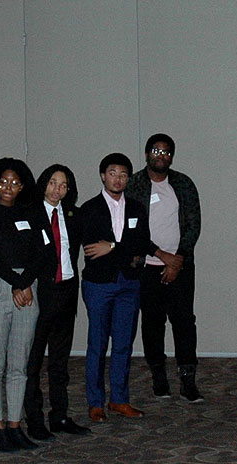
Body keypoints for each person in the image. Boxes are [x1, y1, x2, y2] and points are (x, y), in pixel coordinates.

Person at [126, 133, 203, 402]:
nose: (162, 156)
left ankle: (187, 380)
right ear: (147, 154)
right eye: (156, 151)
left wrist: (178, 259)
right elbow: (131, 228)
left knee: (184, 322)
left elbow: (194, 223)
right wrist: (160, 256)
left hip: (181, 267)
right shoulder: (134, 185)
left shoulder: (183, 184)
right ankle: (159, 377)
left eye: (167, 152)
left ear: (172, 157)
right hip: (146, 267)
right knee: (153, 323)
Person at [79, 153, 156, 423]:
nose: (118, 179)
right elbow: (91, 249)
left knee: (123, 344)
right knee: (97, 345)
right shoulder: (88, 209)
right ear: (103, 175)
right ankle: (96, 402)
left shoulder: (136, 208)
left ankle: (120, 400)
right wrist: (126, 251)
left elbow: (142, 245)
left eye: (123, 174)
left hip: (129, 284)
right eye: (113, 173)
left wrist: (111, 247)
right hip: (99, 284)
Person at [0, 158, 41, 452]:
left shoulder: (32, 212)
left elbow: (41, 252)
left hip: (27, 287)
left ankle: (15, 425)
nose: (8, 187)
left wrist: (24, 282)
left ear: (23, 185)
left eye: (14, 182)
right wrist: (14, 283)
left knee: (19, 363)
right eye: (3, 182)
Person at [22, 164, 91, 437]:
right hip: (40, 293)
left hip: (67, 291)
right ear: (43, 183)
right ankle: (34, 419)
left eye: (63, 185)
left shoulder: (72, 215)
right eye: (52, 182)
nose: (57, 189)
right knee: (33, 361)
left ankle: (60, 416)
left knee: (60, 362)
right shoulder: (29, 213)